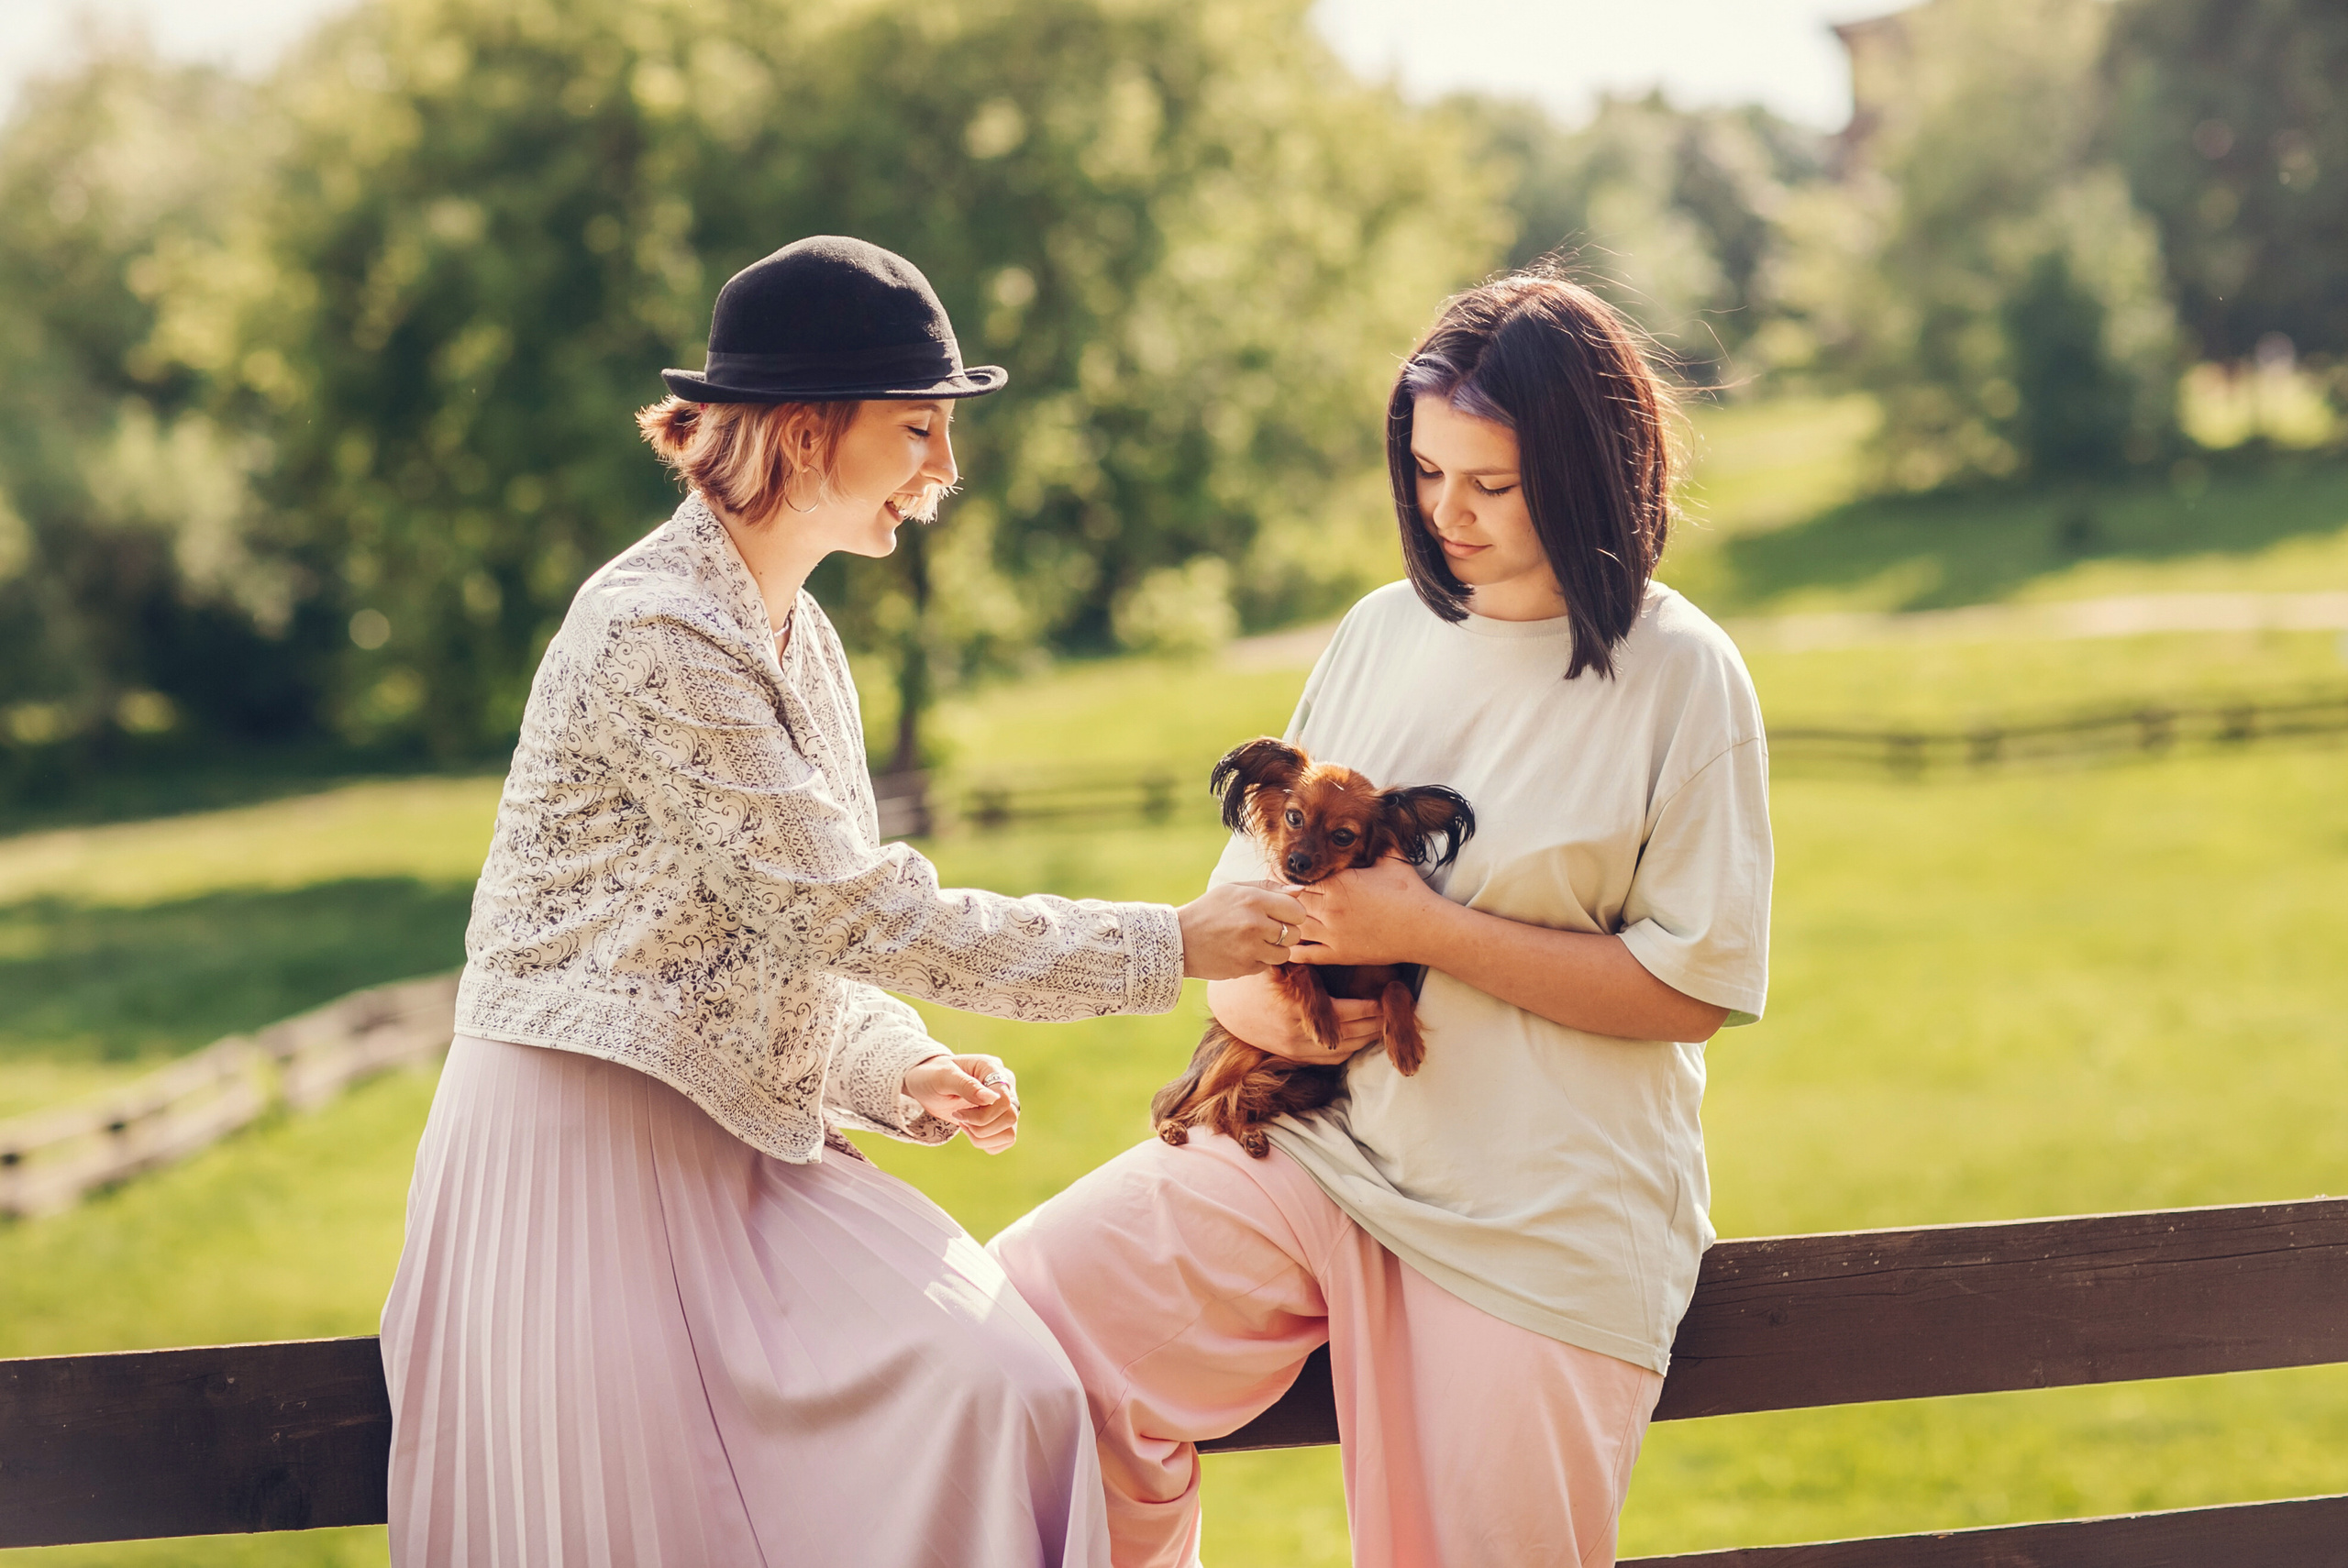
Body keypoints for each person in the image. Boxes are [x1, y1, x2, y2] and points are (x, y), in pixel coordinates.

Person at [378, 236, 1304, 1568]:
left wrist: (897, 1063)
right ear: (806, 432)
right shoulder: (652, 628)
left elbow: (788, 937)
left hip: (750, 1155)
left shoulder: (805, 641)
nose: (945, 468)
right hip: (581, 1152)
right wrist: (1164, 946)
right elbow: (854, 911)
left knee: (1008, 1390)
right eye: (917, 428)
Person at [991, 273, 1774, 1567]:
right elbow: (1246, 928)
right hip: (1319, 1160)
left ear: (1584, 471)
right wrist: (1294, 987)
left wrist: (1428, 930)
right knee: (1023, 1331)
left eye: (1490, 482)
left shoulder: (1682, 675)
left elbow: (1692, 986)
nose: (1445, 513)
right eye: (1424, 471)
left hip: (1539, 1215)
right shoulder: (1375, 633)